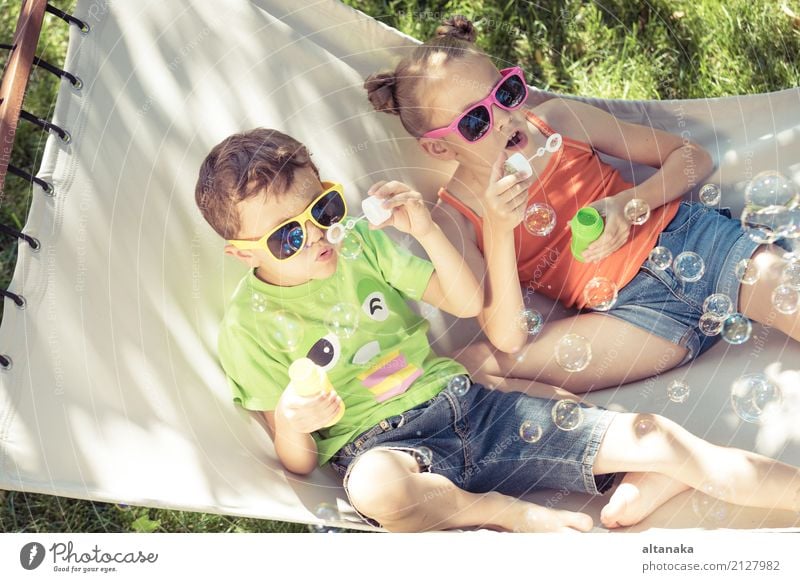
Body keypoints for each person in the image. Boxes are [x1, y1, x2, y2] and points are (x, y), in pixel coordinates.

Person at [195, 128, 800, 532]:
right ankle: (501, 511)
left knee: (659, 437)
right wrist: (297, 420)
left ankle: (649, 472)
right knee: (375, 489)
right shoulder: (248, 329)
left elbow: (463, 302)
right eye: (289, 236)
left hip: (467, 405)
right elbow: (297, 462)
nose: (320, 235)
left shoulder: (361, 247)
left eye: (323, 209)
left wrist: (426, 231)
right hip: (384, 450)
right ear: (244, 254)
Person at [364, 15, 799, 393]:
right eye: (476, 120)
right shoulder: (454, 217)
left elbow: (692, 157)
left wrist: (631, 204)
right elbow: (509, 338)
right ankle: (618, 459)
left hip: (694, 243)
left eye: (506, 92)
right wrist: (498, 226)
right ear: (439, 151)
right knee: (473, 366)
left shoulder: (558, 121)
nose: (503, 117)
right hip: (631, 319)